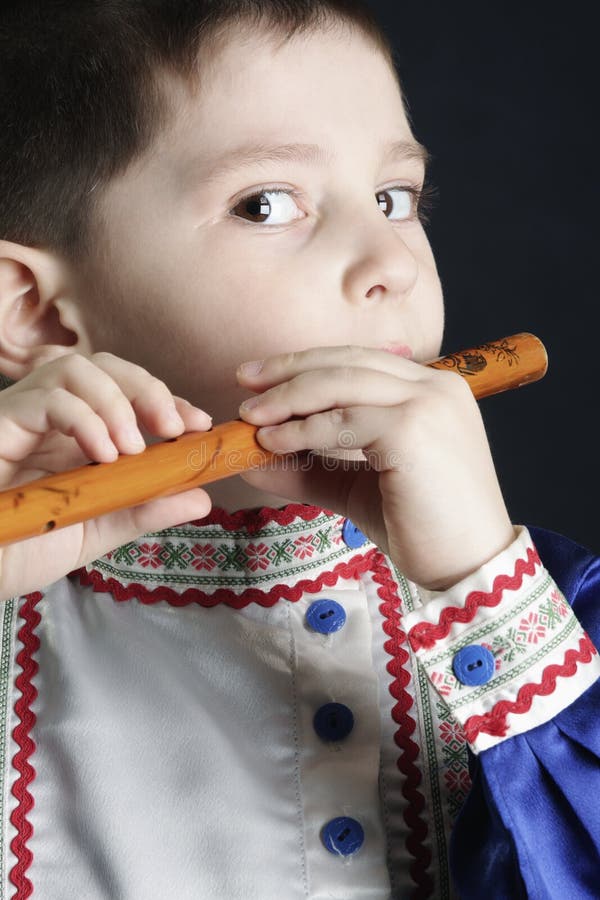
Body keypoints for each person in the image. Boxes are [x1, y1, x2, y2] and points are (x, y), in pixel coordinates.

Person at [0, 2, 598, 897]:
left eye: (396, 198)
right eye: (268, 203)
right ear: (39, 314)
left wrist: (480, 583)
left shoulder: (553, 615)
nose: (389, 261)